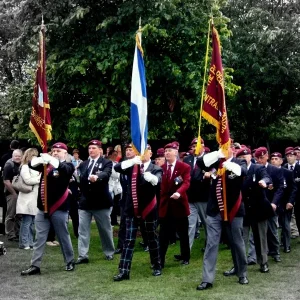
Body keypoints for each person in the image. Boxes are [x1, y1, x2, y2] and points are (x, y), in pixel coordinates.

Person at [196, 145, 248, 291]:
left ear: (233, 149)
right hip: (215, 211)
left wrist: (229, 164)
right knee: (211, 244)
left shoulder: (239, 162)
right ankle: (207, 279)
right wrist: (217, 154)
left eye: (227, 147)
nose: (225, 149)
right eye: (222, 146)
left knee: (237, 242)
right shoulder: (215, 163)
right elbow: (200, 163)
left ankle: (242, 273)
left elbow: (243, 172)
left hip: (234, 210)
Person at [21, 142, 75, 275]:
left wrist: (50, 158)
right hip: (42, 207)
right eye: (53, 151)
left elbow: (63, 169)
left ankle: (69, 261)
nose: (55, 152)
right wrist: (41, 158)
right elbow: (30, 164)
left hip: (59, 207)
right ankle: (35, 265)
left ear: (65, 153)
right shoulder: (47, 166)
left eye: (58, 151)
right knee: (39, 238)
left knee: (63, 236)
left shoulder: (68, 166)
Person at [113, 143, 162, 281]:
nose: (143, 154)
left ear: (150, 154)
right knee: (129, 240)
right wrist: (132, 161)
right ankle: (124, 271)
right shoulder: (132, 167)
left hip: (149, 209)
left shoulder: (155, 168)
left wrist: (151, 177)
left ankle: (157, 266)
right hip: (131, 208)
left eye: (146, 151)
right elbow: (117, 167)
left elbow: (158, 180)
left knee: (152, 239)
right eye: (140, 151)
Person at [75, 140, 115, 264]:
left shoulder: (106, 162)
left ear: (100, 150)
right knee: (82, 230)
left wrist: (97, 177)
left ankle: (109, 252)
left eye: (93, 148)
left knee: (105, 229)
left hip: (101, 201)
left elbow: (106, 173)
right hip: (85, 202)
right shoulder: (83, 164)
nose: (91, 150)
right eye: (89, 148)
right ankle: (83, 255)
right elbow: (80, 179)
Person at [236, 147, 273, 273]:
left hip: (259, 208)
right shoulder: (236, 171)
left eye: (245, 157)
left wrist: (264, 182)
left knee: (260, 238)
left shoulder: (257, 168)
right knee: (241, 239)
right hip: (243, 210)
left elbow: (267, 177)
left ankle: (263, 262)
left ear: (250, 157)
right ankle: (238, 264)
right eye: (240, 157)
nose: (243, 159)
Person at [159, 142, 191, 267]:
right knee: (163, 235)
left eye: (169, 151)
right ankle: (160, 260)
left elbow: (187, 182)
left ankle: (185, 257)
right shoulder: (161, 168)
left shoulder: (184, 167)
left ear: (176, 152)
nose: (167, 153)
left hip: (179, 205)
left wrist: (179, 192)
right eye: (165, 151)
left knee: (183, 233)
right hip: (166, 206)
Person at [254, 147, 284, 263]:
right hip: (258, 204)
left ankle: (275, 252)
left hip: (270, 204)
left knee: (272, 230)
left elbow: (280, 188)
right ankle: (258, 254)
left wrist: (274, 203)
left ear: (267, 156)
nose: (260, 160)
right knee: (257, 232)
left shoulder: (275, 170)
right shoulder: (254, 169)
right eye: (258, 158)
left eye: (262, 157)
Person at [183, 138, 210, 252]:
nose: (195, 148)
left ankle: (209, 246)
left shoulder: (209, 158)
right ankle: (186, 252)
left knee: (207, 224)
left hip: (204, 196)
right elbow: (184, 174)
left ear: (203, 146)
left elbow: (215, 171)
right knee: (190, 224)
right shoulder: (187, 159)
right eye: (193, 146)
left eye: (197, 146)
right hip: (190, 196)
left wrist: (209, 174)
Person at [16, 148, 41, 250]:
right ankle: (24, 242)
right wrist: (39, 178)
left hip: (33, 198)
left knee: (31, 222)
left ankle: (30, 242)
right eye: (34, 155)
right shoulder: (25, 167)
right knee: (26, 222)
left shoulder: (33, 167)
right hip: (27, 198)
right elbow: (28, 180)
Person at [281, 148, 298, 251]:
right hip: (283, 200)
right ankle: (284, 242)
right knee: (284, 223)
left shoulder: (298, 168)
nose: (289, 157)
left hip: (292, 198)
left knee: (286, 222)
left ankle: (287, 244)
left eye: (291, 156)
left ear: (295, 157)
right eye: (287, 156)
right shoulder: (284, 168)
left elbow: (294, 187)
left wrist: (291, 200)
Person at [3, 149, 23, 241]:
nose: (17, 157)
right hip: (11, 193)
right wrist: (14, 193)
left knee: (19, 215)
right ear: (12, 156)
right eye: (16, 156)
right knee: (11, 214)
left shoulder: (22, 165)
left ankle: (18, 233)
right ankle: (10, 234)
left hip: (21, 193)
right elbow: (6, 182)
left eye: (19, 156)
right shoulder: (9, 165)